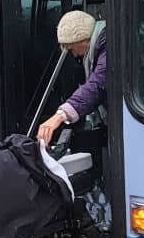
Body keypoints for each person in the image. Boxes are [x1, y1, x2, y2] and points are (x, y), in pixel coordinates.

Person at [37, 10, 105, 145]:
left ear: (83, 40)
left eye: (72, 49)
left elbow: (98, 84)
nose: (74, 55)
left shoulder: (109, 44)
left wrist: (60, 115)